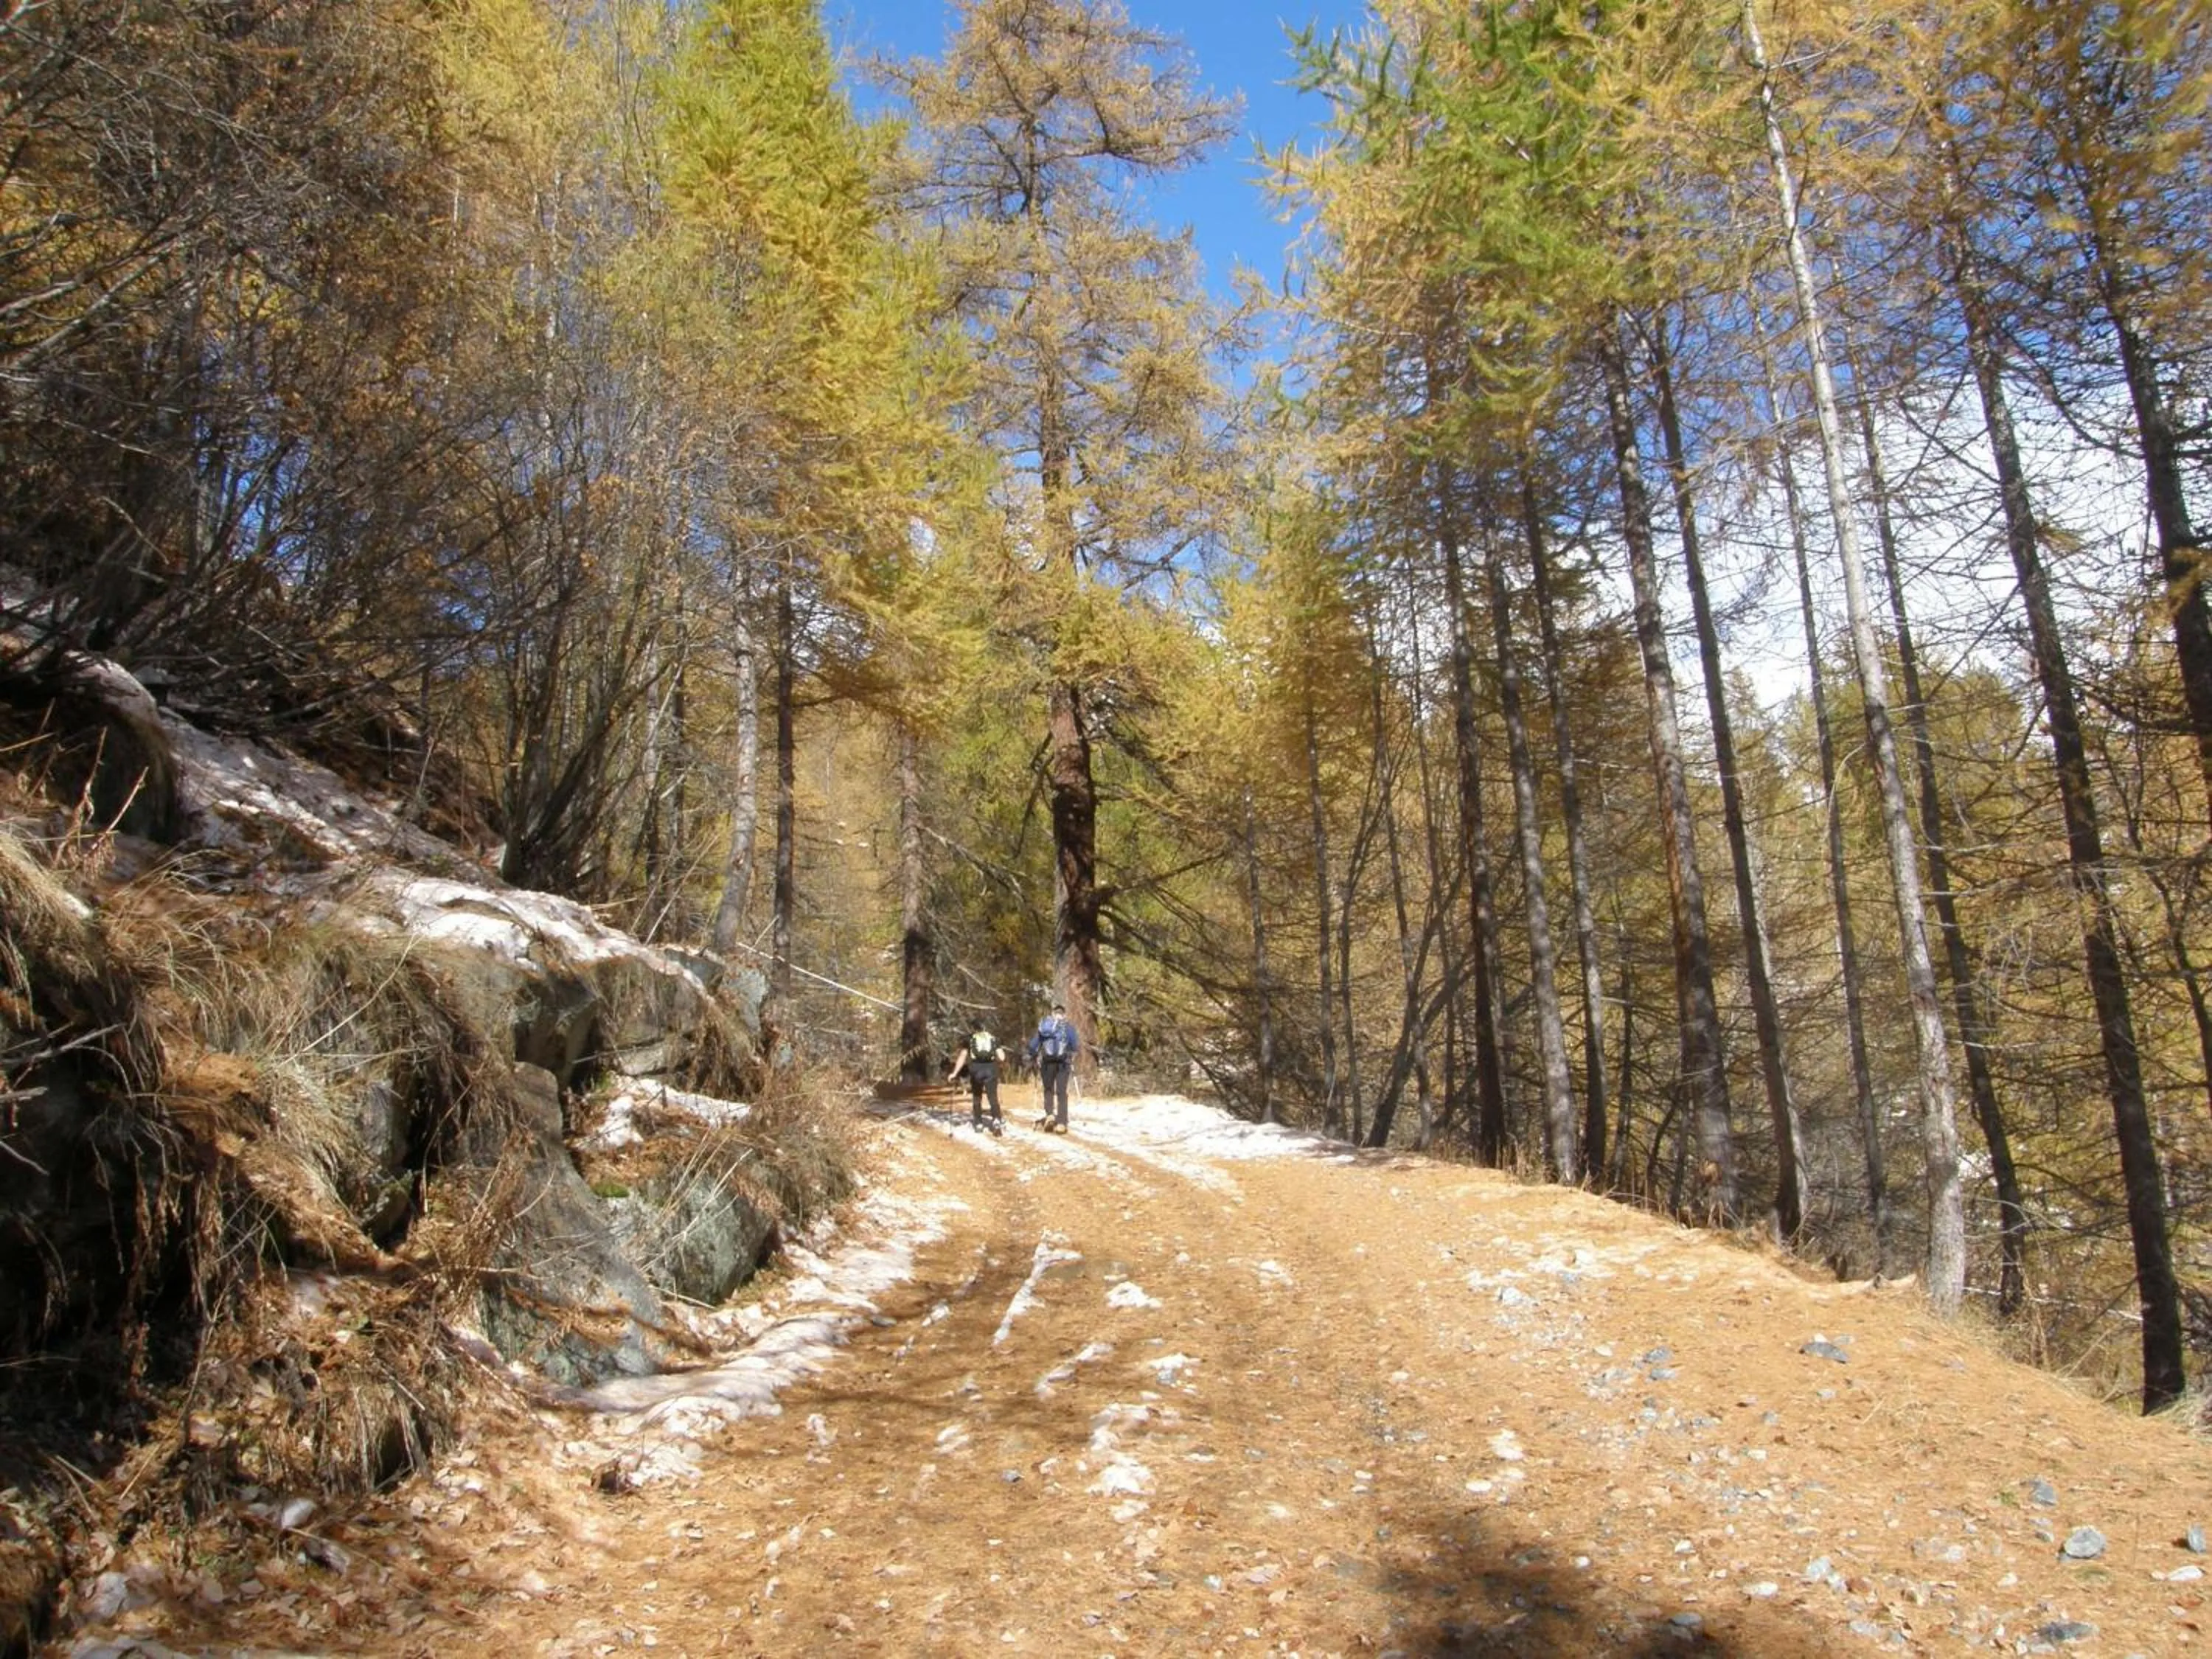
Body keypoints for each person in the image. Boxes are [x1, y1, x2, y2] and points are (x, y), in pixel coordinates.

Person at [1027, 999, 1079, 1133]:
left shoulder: (1045, 1026)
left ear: (1053, 1013)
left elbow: (1034, 1046)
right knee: (1062, 1092)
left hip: (1047, 1063)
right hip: (1063, 1063)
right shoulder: (1068, 1028)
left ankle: (1050, 1114)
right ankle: (1062, 1122)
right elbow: (1074, 1046)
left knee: (1048, 1089)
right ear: (1064, 1014)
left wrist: (1032, 1055)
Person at [947, 1024, 1005, 1135]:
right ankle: (997, 1120)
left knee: (977, 1096)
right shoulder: (993, 1039)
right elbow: (1002, 1057)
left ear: (974, 1029)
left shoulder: (969, 1040)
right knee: (993, 1097)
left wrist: (954, 1073)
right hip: (991, 1069)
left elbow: (962, 1058)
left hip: (976, 1070)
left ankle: (978, 1123)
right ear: (985, 1028)